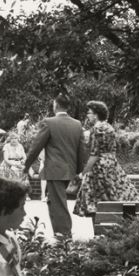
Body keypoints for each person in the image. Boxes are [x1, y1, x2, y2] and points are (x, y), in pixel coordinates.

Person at [22, 97, 86, 242]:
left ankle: (64, 236)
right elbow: (82, 149)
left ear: (55, 105)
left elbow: (36, 146)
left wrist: (26, 166)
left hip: (56, 170)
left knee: (58, 204)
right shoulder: (77, 124)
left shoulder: (49, 123)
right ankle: (60, 233)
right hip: (70, 169)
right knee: (54, 201)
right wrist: (80, 171)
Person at [73, 100, 138, 223]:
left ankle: (98, 232)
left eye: (89, 113)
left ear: (96, 114)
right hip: (112, 165)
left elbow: (95, 154)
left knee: (93, 203)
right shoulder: (109, 127)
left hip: (98, 169)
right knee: (116, 196)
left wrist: (83, 173)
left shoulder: (96, 129)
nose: (87, 115)